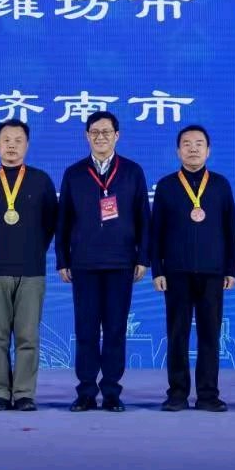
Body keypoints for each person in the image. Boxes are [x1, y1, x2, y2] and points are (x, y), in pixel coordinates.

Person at [55, 111, 150, 412]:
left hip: (121, 263)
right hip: (84, 264)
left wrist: (143, 257)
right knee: (85, 331)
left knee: (115, 330)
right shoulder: (74, 173)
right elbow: (63, 220)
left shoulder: (132, 171)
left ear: (117, 136)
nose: (100, 137)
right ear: (87, 136)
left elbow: (144, 218)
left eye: (106, 132)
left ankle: (111, 392)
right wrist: (62, 259)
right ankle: (85, 391)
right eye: (94, 132)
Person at [0, 119, 58, 412]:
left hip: (31, 270)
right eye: (6, 140)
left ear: (27, 145)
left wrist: (34, 249)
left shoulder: (41, 181)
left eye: (18, 140)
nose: (11, 146)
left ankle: (23, 394)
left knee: (27, 337)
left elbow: (50, 224)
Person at [149, 125, 235, 412]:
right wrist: (157, 270)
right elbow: (156, 232)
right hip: (176, 272)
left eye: (199, 143)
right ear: (178, 151)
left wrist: (231, 269)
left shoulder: (220, 185)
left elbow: (230, 230)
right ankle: (177, 394)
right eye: (186, 144)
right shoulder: (166, 185)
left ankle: (208, 395)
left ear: (208, 150)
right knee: (177, 334)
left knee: (210, 335)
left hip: (213, 272)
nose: (193, 148)